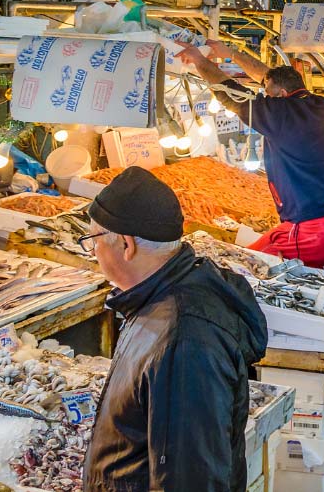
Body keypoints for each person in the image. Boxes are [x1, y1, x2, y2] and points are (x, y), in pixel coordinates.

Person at [81, 166, 268, 492]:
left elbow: (192, 478)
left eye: (92, 239)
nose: (92, 251)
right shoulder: (155, 301)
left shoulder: (185, 341)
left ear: (126, 245)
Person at [178, 41, 324, 275]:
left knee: (243, 269)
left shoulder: (281, 114)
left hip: (319, 230)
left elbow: (230, 92)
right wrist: (232, 54)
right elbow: (268, 78)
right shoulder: (319, 104)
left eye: (268, 94)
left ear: (281, 95)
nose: (264, 98)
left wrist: (199, 60)